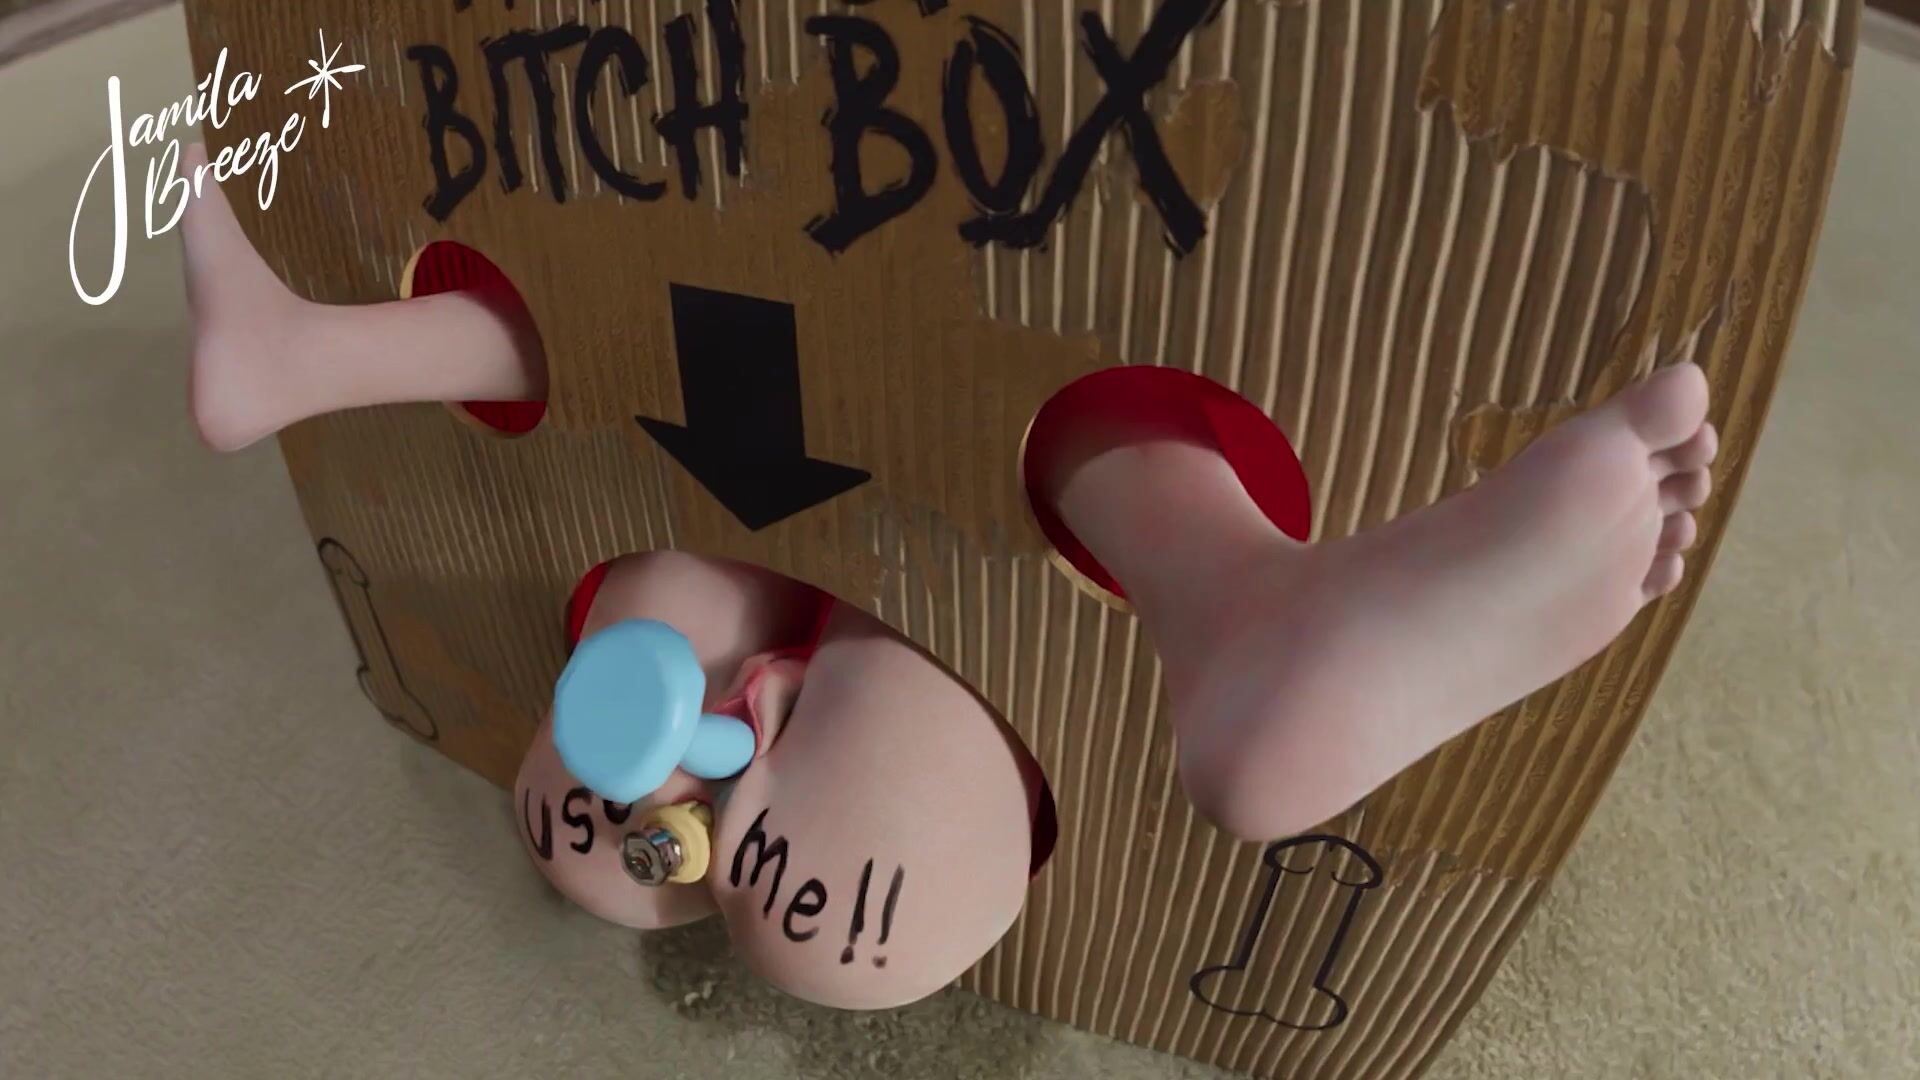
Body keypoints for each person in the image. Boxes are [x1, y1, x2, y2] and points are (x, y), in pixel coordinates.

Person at [179, 140, 1717, 1006]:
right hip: (725, 348)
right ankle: (1235, 613)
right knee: (641, 842)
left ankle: (1238, 616)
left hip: (928, 413)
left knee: (808, 870)